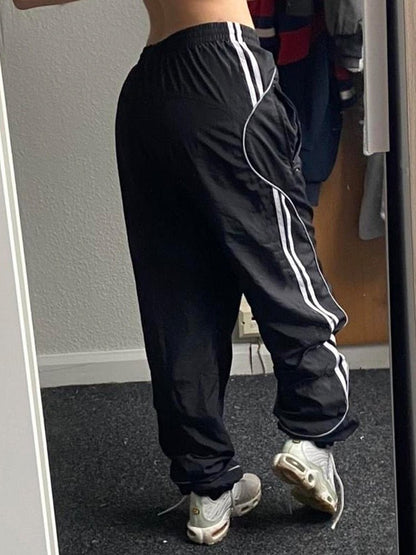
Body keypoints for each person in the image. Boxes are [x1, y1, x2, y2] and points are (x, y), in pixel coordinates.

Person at [13, 0, 358, 546]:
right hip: (222, 68)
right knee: (280, 262)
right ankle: (312, 439)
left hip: (149, 92)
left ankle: (208, 487)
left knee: (177, 297)